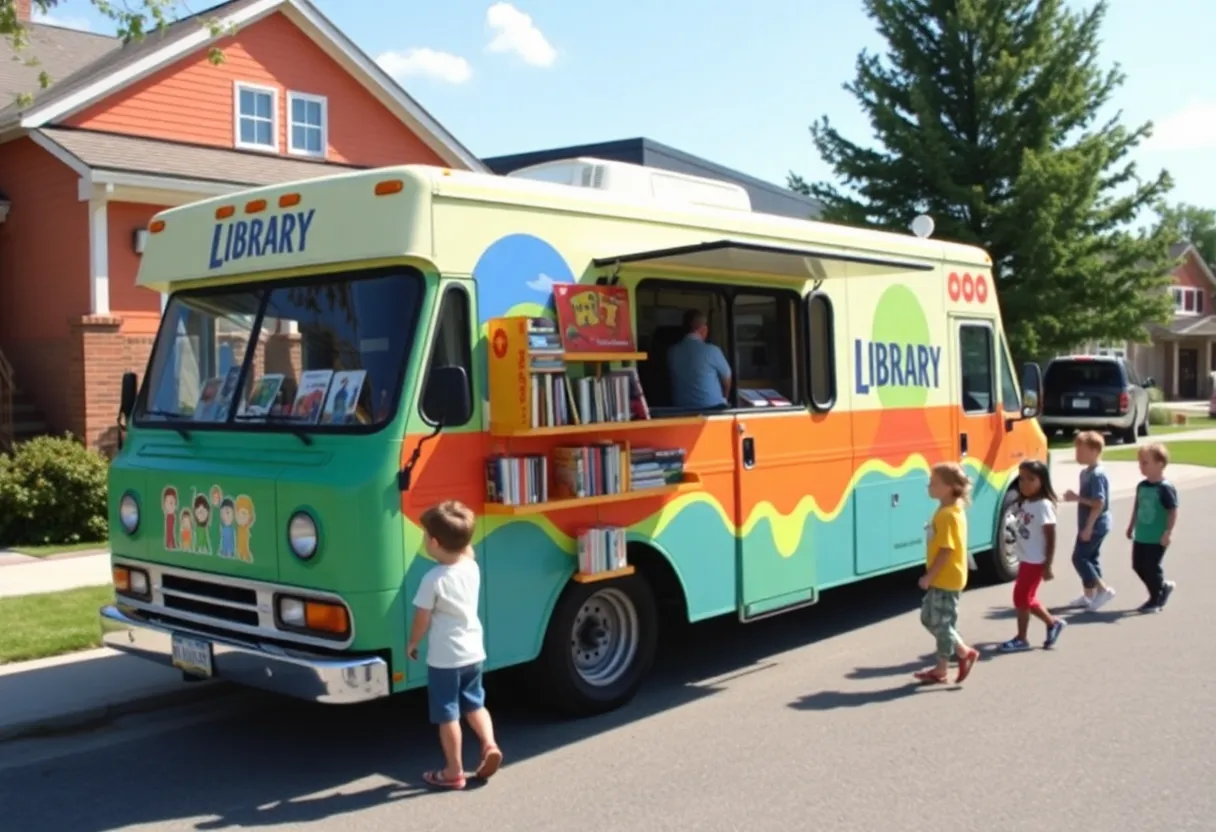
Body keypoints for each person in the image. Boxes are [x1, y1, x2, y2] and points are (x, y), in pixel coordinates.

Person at [407, 500, 502, 790]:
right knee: (475, 703)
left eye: (425, 535)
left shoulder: (433, 579)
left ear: (434, 542)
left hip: (445, 658)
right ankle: (489, 745)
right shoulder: (471, 567)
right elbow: (465, 548)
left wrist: (412, 642)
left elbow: (422, 618)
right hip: (473, 652)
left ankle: (453, 771)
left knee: (447, 712)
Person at [914, 462, 980, 685]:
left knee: (934, 621)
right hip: (949, 577)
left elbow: (946, 550)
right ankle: (942, 668)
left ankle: (963, 652)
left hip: (946, 578)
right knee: (943, 622)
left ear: (949, 487)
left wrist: (929, 577)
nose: (929, 487)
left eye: (933, 483)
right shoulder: (950, 510)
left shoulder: (948, 515)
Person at [998, 460, 1067, 652]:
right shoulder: (1025, 502)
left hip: (1036, 560)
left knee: (1021, 597)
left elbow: (1050, 536)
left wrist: (1048, 565)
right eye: (1021, 479)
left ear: (1042, 481)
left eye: (1031, 479)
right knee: (1025, 597)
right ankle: (1052, 623)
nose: (1024, 483)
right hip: (1025, 558)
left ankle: (1022, 638)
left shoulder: (1043, 505)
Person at [1063, 431, 1116, 610]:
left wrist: (1088, 527)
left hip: (1095, 524)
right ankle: (1089, 595)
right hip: (1088, 523)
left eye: (1081, 451)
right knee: (1090, 558)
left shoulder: (1097, 475)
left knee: (1080, 557)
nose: (1077, 454)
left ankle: (1103, 590)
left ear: (1094, 451)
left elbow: (1099, 503)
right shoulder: (1086, 472)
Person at [1127, 443, 1179, 613]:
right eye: (1140, 462)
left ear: (1160, 464)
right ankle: (1162, 587)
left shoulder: (1165, 488)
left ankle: (1155, 599)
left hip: (1157, 536)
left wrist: (1168, 533)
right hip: (1141, 534)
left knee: (1151, 566)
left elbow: (1172, 510)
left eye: (1145, 462)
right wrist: (1131, 526)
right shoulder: (1142, 486)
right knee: (1137, 565)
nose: (1141, 466)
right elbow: (1137, 507)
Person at [666, 309, 732, 410]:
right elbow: (727, 378)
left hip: (681, 410)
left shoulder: (671, 352)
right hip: (712, 409)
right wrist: (725, 398)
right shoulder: (712, 351)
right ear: (703, 329)